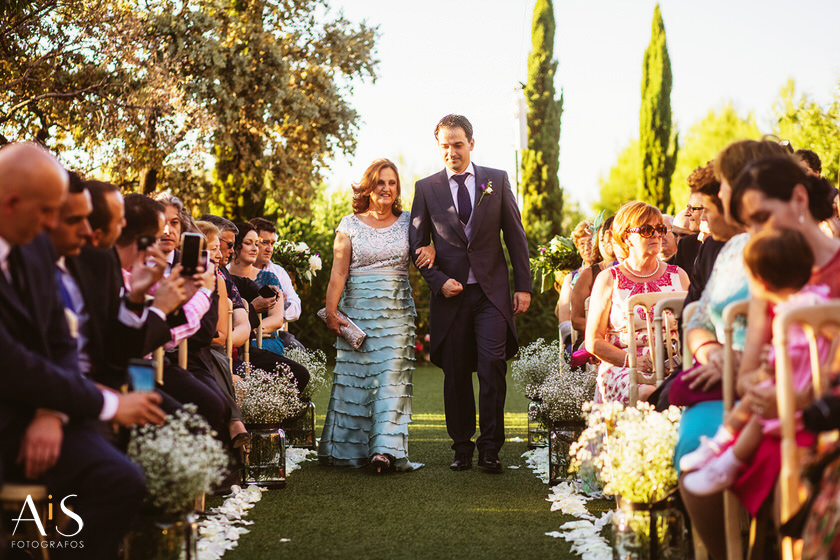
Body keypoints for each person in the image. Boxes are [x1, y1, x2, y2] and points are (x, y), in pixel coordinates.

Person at [0, 143, 165, 559]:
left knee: (122, 479)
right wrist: (107, 405)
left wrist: (50, 413)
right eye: (49, 212)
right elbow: (11, 362)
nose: (56, 225)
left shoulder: (33, 242)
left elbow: (60, 338)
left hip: (42, 407)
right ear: (11, 203)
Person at [409, 114, 531, 473]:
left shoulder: (497, 180)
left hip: (491, 295)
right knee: (457, 372)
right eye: (445, 146)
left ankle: (490, 447)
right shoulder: (426, 188)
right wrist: (438, 280)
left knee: (492, 366)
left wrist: (523, 286)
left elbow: (515, 235)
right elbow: (417, 244)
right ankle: (461, 446)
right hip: (451, 297)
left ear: (471, 144)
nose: (452, 152)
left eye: (458, 144)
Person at [681, 229, 828, 496]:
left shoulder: (802, 306)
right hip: (789, 375)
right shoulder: (811, 298)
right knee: (755, 402)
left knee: (756, 412)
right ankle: (720, 449)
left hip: (804, 383)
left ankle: (725, 459)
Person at [320, 158, 433, 472]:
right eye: (380, 182)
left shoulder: (410, 221)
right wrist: (331, 312)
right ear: (368, 187)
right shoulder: (349, 224)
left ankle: (384, 451)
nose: (386, 188)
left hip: (397, 314)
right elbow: (337, 274)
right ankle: (348, 450)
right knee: (355, 383)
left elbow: (428, 248)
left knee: (392, 381)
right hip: (356, 314)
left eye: (392, 183)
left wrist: (432, 249)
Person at [585, 201, 689, 404]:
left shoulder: (679, 276)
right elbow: (593, 341)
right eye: (647, 230)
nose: (657, 235)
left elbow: (694, 323)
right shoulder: (609, 279)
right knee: (648, 393)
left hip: (674, 364)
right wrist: (632, 361)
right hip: (624, 366)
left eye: (660, 229)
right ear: (626, 237)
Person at [570, 216, 617, 336]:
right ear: (598, 244)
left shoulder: (633, 270)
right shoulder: (588, 275)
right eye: (603, 240)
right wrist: (608, 331)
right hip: (595, 337)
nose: (608, 243)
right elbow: (576, 320)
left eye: (614, 238)